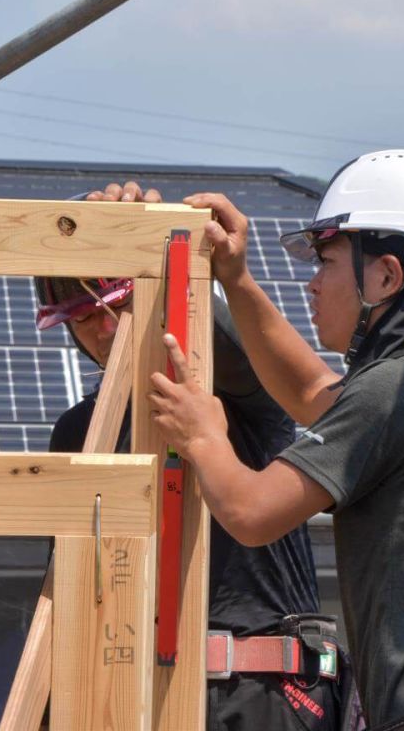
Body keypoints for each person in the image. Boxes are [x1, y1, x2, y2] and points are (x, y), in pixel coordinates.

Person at [148, 153, 404, 730]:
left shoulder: (397, 389)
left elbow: (250, 511)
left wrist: (203, 434)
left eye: (328, 262)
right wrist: (236, 280)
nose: (312, 283)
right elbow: (312, 390)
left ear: (386, 275)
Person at [36, 182, 349, 731]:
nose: (105, 329)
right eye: (84, 316)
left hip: (265, 693)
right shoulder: (79, 431)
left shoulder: (232, 392)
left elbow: (231, 340)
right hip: (138, 694)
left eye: (119, 302)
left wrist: (157, 243)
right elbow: (71, 592)